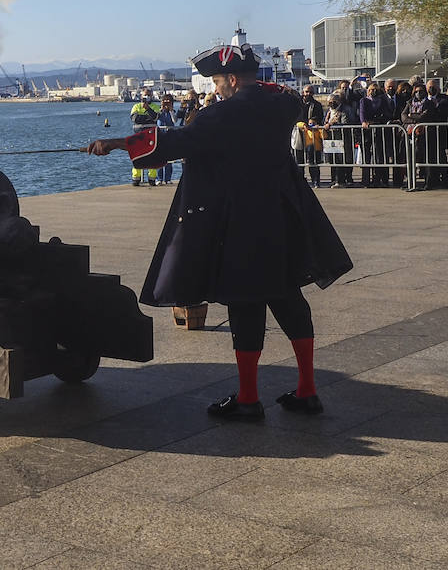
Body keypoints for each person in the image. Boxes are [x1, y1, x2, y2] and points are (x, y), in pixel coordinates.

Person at [84, 44, 353, 420]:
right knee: (288, 298)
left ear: (229, 79)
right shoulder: (281, 106)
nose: (215, 90)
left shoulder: (220, 115)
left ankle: (247, 398)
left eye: (217, 82)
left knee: (245, 302)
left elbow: (173, 143)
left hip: (243, 222)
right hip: (282, 217)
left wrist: (115, 143)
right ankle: (307, 389)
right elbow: (285, 93)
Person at [129, 91, 160, 186]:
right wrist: (147, 117)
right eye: (145, 95)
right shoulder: (136, 106)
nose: (146, 97)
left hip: (151, 135)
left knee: (152, 156)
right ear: (141, 96)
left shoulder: (155, 106)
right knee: (137, 156)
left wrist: (148, 109)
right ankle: (136, 178)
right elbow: (135, 119)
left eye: (148, 95)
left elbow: (155, 118)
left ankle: (152, 178)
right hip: (138, 135)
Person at [156, 94, 177, 185]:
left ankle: (168, 178)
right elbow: (155, 119)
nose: (166, 104)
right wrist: (161, 108)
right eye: (165, 101)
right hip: (160, 136)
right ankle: (159, 179)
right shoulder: (159, 111)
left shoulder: (172, 111)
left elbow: (175, 121)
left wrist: (171, 110)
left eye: (169, 101)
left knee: (169, 159)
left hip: (170, 136)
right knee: (159, 158)